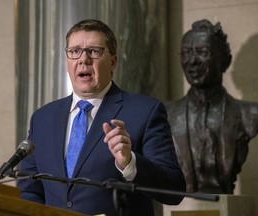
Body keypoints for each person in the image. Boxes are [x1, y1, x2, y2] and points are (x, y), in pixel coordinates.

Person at [17, 19, 185, 216]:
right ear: (67, 60)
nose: (83, 59)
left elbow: (174, 190)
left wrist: (129, 163)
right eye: (74, 51)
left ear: (113, 61)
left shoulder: (145, 111)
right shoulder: (43, 118)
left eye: (94, 51)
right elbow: (28, 191)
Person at [166, 19, 258, 194]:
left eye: (202, 52)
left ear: (225, 61)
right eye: (186, 53)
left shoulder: (249, 115)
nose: (192, 61)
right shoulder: (166, 114)